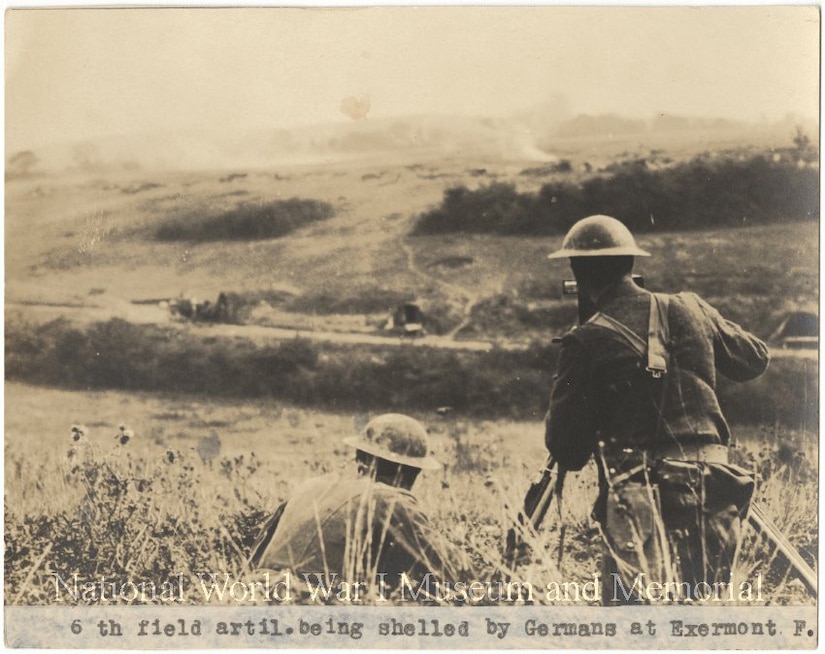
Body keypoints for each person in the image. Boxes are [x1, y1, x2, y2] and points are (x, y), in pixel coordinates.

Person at [544, 215, 769, 605]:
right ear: (632, 264)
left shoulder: (585, 341)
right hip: (715, 487)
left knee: (633, 626)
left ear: (577, 273)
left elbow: (566, 449)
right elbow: (754, 359)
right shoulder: (690, 307)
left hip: (641, 503)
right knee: (703, 611)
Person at [249, 413, 467, 595]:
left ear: (360, 458)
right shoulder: (390, 500)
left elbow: (256, 554)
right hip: (303, 603)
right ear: (412, 472)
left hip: (252, 591)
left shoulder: (312, 485)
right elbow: (455, 570)